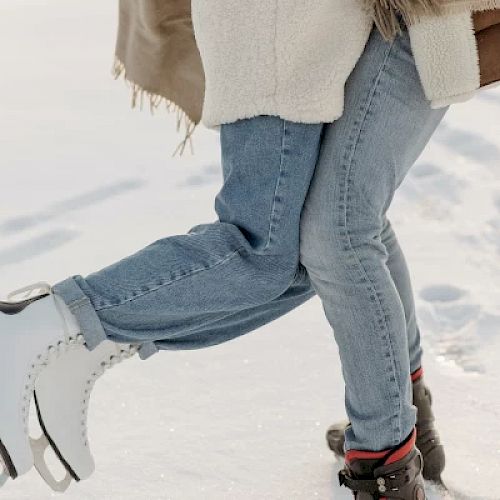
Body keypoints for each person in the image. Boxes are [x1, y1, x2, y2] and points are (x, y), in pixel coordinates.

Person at [1, 1, 499, 498]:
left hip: (402, 18)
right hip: (294, 22)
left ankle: (64, 332)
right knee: (309, 236)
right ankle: (61, 331)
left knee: (331, 231)